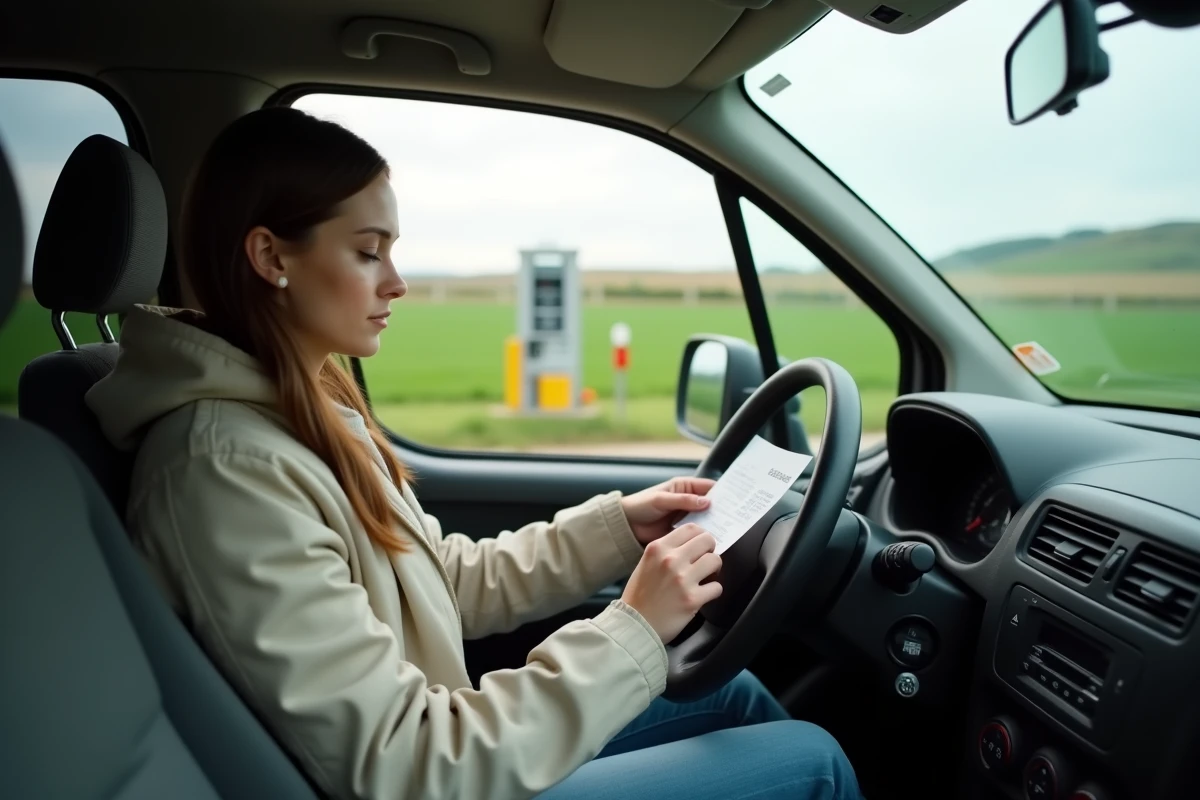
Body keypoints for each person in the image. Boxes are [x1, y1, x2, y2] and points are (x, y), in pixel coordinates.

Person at [86, 107, 862, 800]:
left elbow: (434, 584)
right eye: (367, 252)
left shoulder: (294, 415)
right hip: (435, 774)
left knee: (730, 696)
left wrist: (618, 528)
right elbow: (408, 766)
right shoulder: (226, 469)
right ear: (271, 256)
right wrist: (632, 626)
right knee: (814, 759)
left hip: (449, 753)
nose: (397, 283)